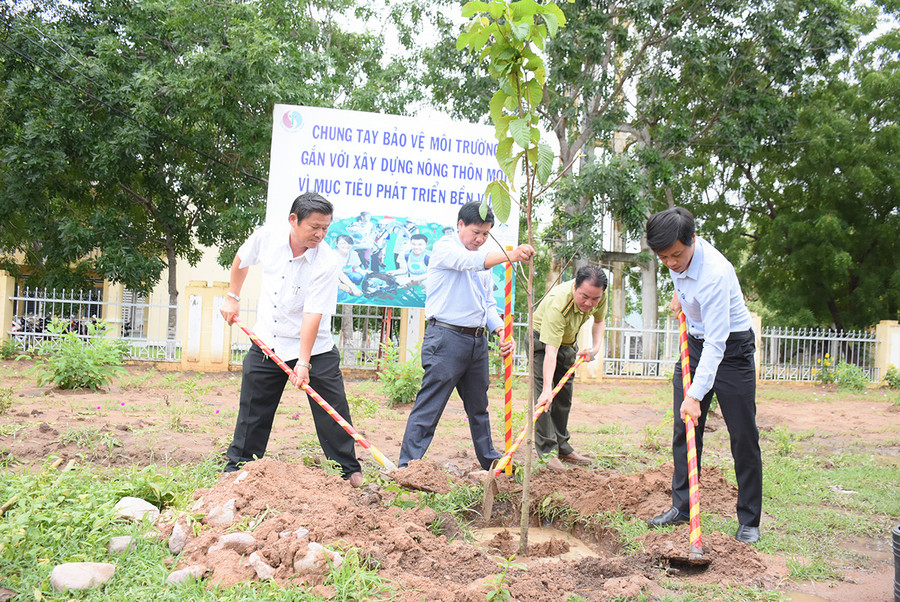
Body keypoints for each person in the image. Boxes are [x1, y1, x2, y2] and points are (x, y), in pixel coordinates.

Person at [220, 192, 363, 488]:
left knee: (331, 408)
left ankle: (348, 471)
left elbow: (313, 313)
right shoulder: (268, 237)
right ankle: (238, 468)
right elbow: (241, 259)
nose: (321, 234)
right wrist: (232, 297)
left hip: (315, 348)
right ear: (293, 220)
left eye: (326, 228)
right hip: (268, 341)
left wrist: (304, 362)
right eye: (314, 227)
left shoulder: (326, 261)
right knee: (253, 407)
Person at [644, 206, 762, 543]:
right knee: (684, 429)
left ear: (692, 240)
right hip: (696, 344)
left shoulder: (716, 273)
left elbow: (717, 342)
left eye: (676, 255)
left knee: (743, 435)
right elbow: (684, 283)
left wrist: (696, 394)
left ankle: (749, 520)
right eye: (664, 257)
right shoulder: (675, 257)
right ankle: (682, 507)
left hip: (730, 348)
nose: (671, 263)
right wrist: (683, 299)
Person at [398, 201, 535, 471]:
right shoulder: (444, 248)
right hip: (445, 339)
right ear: (460, 225)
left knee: (479, 405)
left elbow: (487, 304)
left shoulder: (483, 258)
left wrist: (498, 329)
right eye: (475, 232)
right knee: (431, 405)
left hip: (476, 341)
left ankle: (489, 460)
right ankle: (408, 467)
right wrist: (512, 255)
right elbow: (469, 262)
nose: (480, 239)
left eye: (485, 234)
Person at [532, 266, 608, 471]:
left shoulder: (599, 295)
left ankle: (563, 447)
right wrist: (547, 388)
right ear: (575, 287)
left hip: (568, 343)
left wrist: (595, 347)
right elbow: (550, 352)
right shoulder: (559, 304)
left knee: (564, 396)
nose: (589, 303)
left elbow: (599, 321)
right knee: (545, 399)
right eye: (584, 296)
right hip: (542, 344)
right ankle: (547, 452)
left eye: (595, 299)